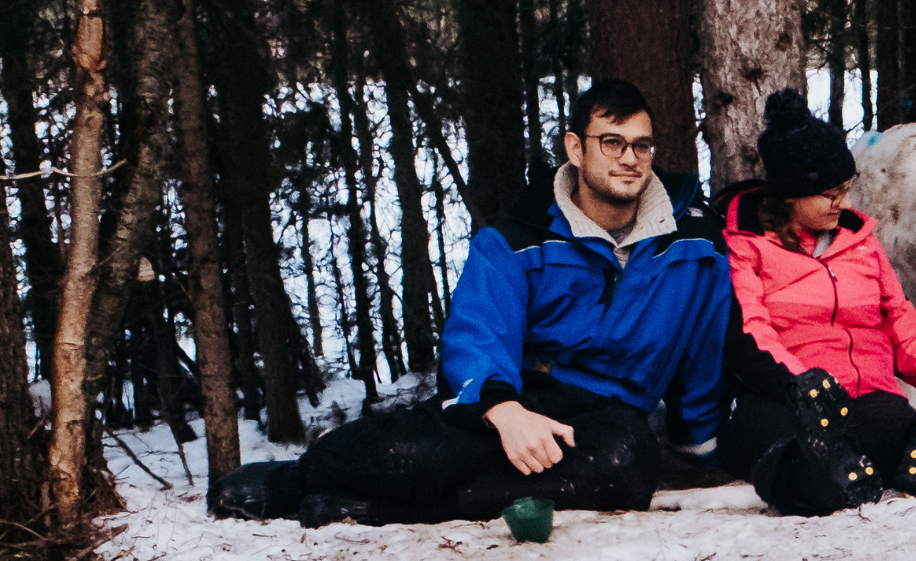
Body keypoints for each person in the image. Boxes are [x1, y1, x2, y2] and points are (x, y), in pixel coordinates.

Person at [211, 78, 729, 527]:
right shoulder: (517, 238)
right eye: (611, 142)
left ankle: (387, 510)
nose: (629, 159)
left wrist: (699, 443)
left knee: (623, 468)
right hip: (517, 396)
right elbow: (479, 333)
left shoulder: (694, 247)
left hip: (607, 417)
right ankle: (292, 481)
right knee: (419, 452)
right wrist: (504, 409)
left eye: (642, 146)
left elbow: (704, 349)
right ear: (575, 147)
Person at [716, 88, 916, 515]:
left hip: (867, 394)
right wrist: (808, 389)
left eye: (846, 189)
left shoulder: (862, 244)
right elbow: (753, 335)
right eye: (831, 194)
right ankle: (827, 471)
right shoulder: (748, 247)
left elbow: (904, 333)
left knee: (897, 432)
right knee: (795, 459)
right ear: (791, 195)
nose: (844, 203)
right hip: (787, 401)